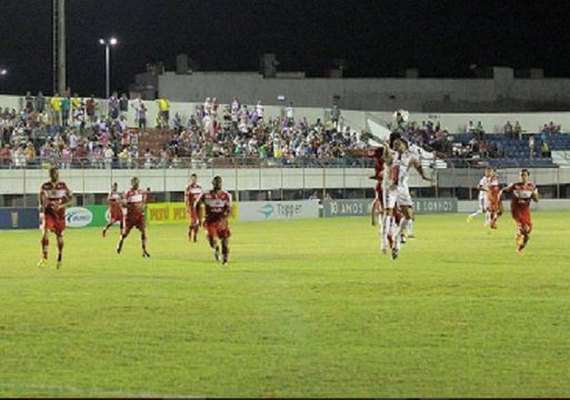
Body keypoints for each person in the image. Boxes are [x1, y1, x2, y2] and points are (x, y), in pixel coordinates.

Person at [384, 136, 433, 260]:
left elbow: (418, 166)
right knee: (390, 213)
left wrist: (424, 177)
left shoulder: (410, 156)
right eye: (394, 144)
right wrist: (385, 147)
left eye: (398, 144)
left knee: (409, 216)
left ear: (405, 145)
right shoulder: (393, 155)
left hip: (402, 188)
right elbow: (387, 160)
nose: (396, 146)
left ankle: (396, 240)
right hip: (391, 187)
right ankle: (393, 239)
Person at [37, 167, 73, 269]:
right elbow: (41, 197)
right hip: (49, 213)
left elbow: (70, 200)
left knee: (59, 237)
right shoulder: (45, 186)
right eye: (53, 173)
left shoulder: (63, 186)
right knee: (45, 232)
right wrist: (42, 205)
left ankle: (59, 258)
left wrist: (61, 206)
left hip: (60, 215)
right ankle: (44, 257)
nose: (55, 175)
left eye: (57, 173)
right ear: (50, 174)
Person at [195, 175, 232, 266]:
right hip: (210, 221)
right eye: (216, 182)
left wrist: (224, 219)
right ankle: (216, 249)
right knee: (212, 240)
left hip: (221, 220)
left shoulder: (226, 195)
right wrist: (198, 218)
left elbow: (229, 210)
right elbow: (197, 204)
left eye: (219, 182)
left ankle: (225, 260)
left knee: (225, 240)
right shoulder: (206, 194)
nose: (218, 184)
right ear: (213, 183)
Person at [499, 169, 539, 254]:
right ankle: (520, 245)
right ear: (519, 177)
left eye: (524, 175)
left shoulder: (532, 186)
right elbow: (502, 190)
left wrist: (533, 193)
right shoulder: (514, 186)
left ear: (528, 176)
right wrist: (499, 203)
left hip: (525, 210)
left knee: (528, 229)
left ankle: (519, 237)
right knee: (525, 229)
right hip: (516, 210)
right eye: (521, 175)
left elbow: (536, 200)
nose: (523, 177)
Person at [116, 177, 150, 257]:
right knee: (125, 234)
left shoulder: (140, 192)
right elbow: (124, 204)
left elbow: (143, 202)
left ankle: (144, 250)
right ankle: (120, 243)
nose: (137, 184)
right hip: (130, 217)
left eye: (137, 183)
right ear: (132, 183)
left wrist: (143, 206)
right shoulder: (128, 193)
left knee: (143, 232)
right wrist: (132, 205)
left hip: (139, 216)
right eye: (135, 183)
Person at [184, 173, 203, 243]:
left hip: (199, 206)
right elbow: (186, 198)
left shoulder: (199, 187)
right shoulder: (188, 187)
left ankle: (195, 236)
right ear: (191, 179)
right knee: (195, 221)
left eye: (195, 178)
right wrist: (187, 207)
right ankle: (190, 236)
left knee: (198, 222)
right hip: (192, 207)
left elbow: (201, 197)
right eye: (192, 178)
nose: (194, 180)